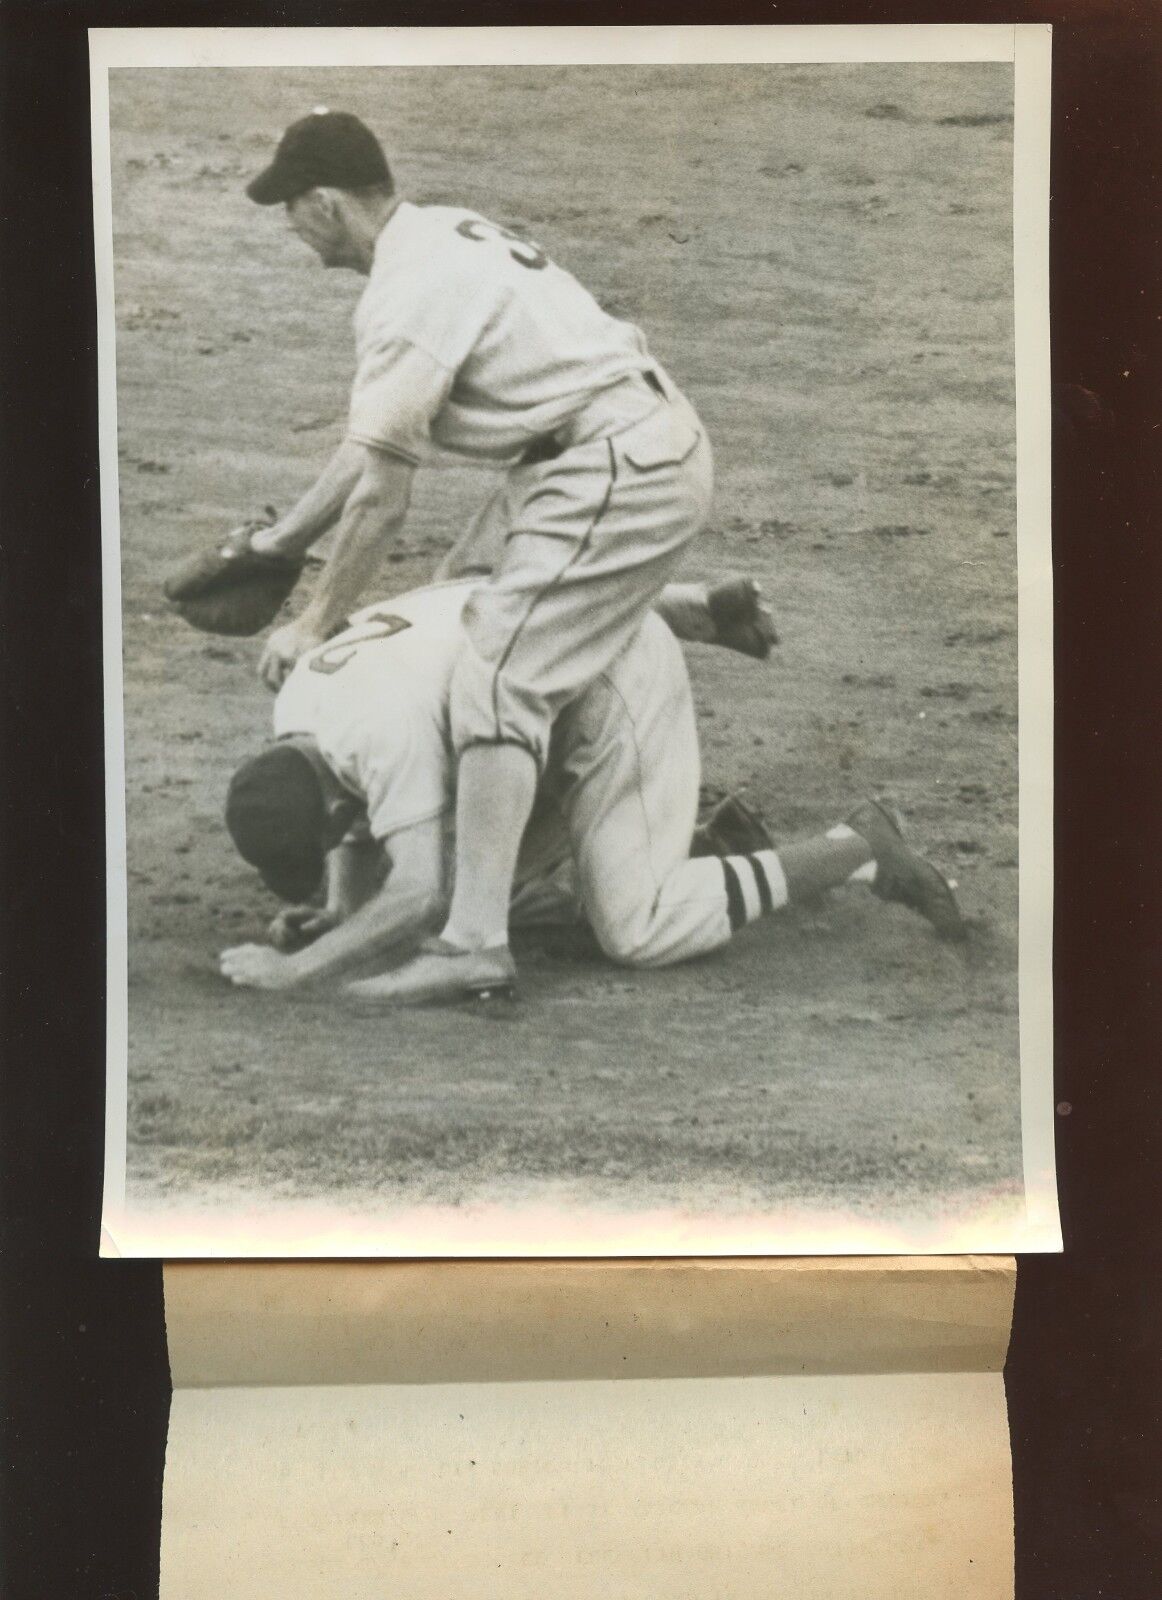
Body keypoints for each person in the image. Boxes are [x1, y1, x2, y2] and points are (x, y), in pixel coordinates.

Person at [237, 108, 716, 1003]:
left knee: (497, 675)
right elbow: (366, 445)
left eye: (290, 206)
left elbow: (382, 494)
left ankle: (472, 941)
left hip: (615, 460)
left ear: (329, 203)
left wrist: (314, 622)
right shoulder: (434, 236)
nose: (288, 225)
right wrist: (281, 542)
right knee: (467, 611)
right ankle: (669, 629)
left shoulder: (403, 298)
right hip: (590, 454)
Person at [218, 579, 965, 1002]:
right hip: (535, 704)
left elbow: (414, 890)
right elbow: (481, 593)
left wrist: (295, 973)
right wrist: (342, 914)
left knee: (635, 930)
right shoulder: (304, 712)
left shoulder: (382, 734)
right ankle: (691, 848)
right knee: (448, 902)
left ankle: (857, 848)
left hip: (613, 680)